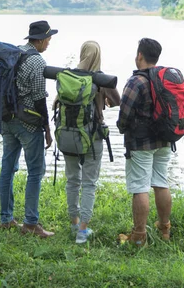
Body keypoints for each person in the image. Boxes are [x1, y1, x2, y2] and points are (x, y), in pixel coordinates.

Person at [0, 20, 57, 237]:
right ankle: (31, 223)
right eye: (49, 39)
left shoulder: (15, 52)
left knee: (8, 168)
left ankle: (6, 219)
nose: (49, 43)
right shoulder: (37, 62)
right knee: (35, 171)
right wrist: (47, 129)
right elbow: (40, 98)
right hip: (27, 123)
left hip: (7, 119)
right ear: (40, 39)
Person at [62, 40, 120, 245]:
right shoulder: (101, 78)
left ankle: (73, 222)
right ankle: (82, 231)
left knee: (72, 181)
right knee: (88, 183)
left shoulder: (67, 76)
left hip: (68, 135)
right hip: (92, 137)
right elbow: (117, 101)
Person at [117, 37, 172, 246]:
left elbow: (124, 114)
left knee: (140, 187)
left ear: (139, 55)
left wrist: (123, 129)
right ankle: (164, 228)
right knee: (161, 182)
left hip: (141, 144)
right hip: (165, 140)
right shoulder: (165, 79)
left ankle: (139, 236)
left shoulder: (136, 81)